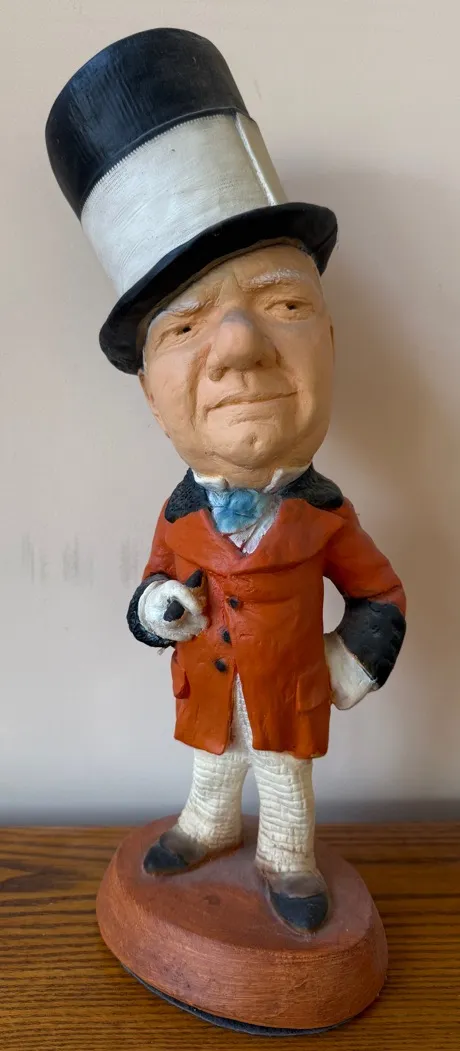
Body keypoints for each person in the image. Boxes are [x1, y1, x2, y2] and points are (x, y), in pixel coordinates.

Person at [46, 28, 406, 931]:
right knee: (212, 774)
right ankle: (207, 827)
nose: (241, 344)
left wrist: (340, 668)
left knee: (284, 788)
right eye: (185, 326)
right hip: (209, 691)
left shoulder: (325, 515)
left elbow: (380, 597)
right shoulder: (180, 513)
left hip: (287, 696)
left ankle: (287, 860)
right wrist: (157, 607)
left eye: (283, 303)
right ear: (150, 393)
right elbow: (152, 584)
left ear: (330, 341)